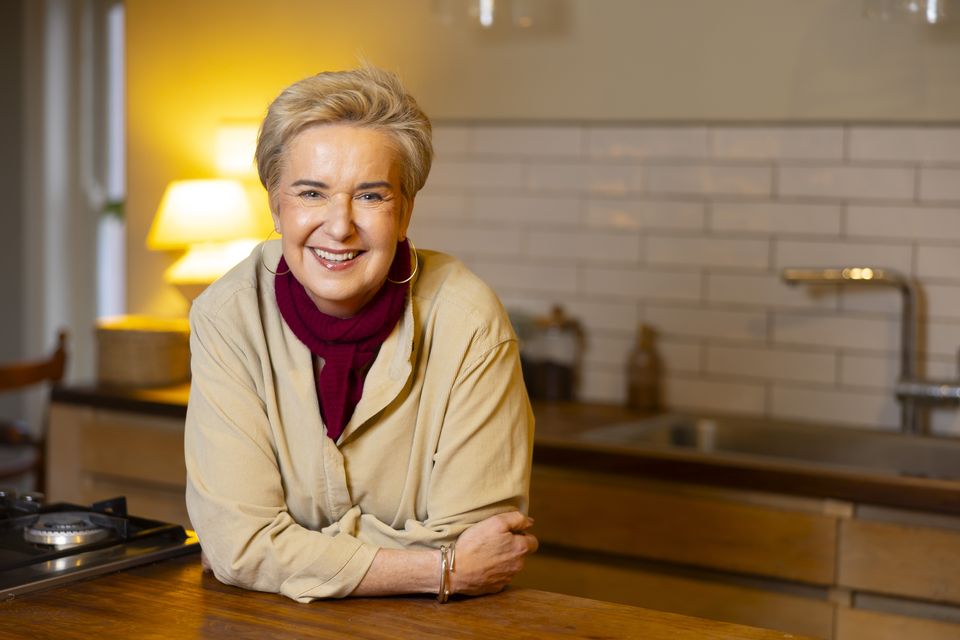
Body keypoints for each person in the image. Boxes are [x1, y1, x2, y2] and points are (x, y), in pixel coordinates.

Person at [184, 66, 538, 603]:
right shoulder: (226, 316)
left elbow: (474, 537)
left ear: (405, 212)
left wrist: (271, 553)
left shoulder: (469, 320)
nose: (340, 225)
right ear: (276, 204)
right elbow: (241, 544)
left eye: (371, 197)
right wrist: (440, 569)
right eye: (311, 193)